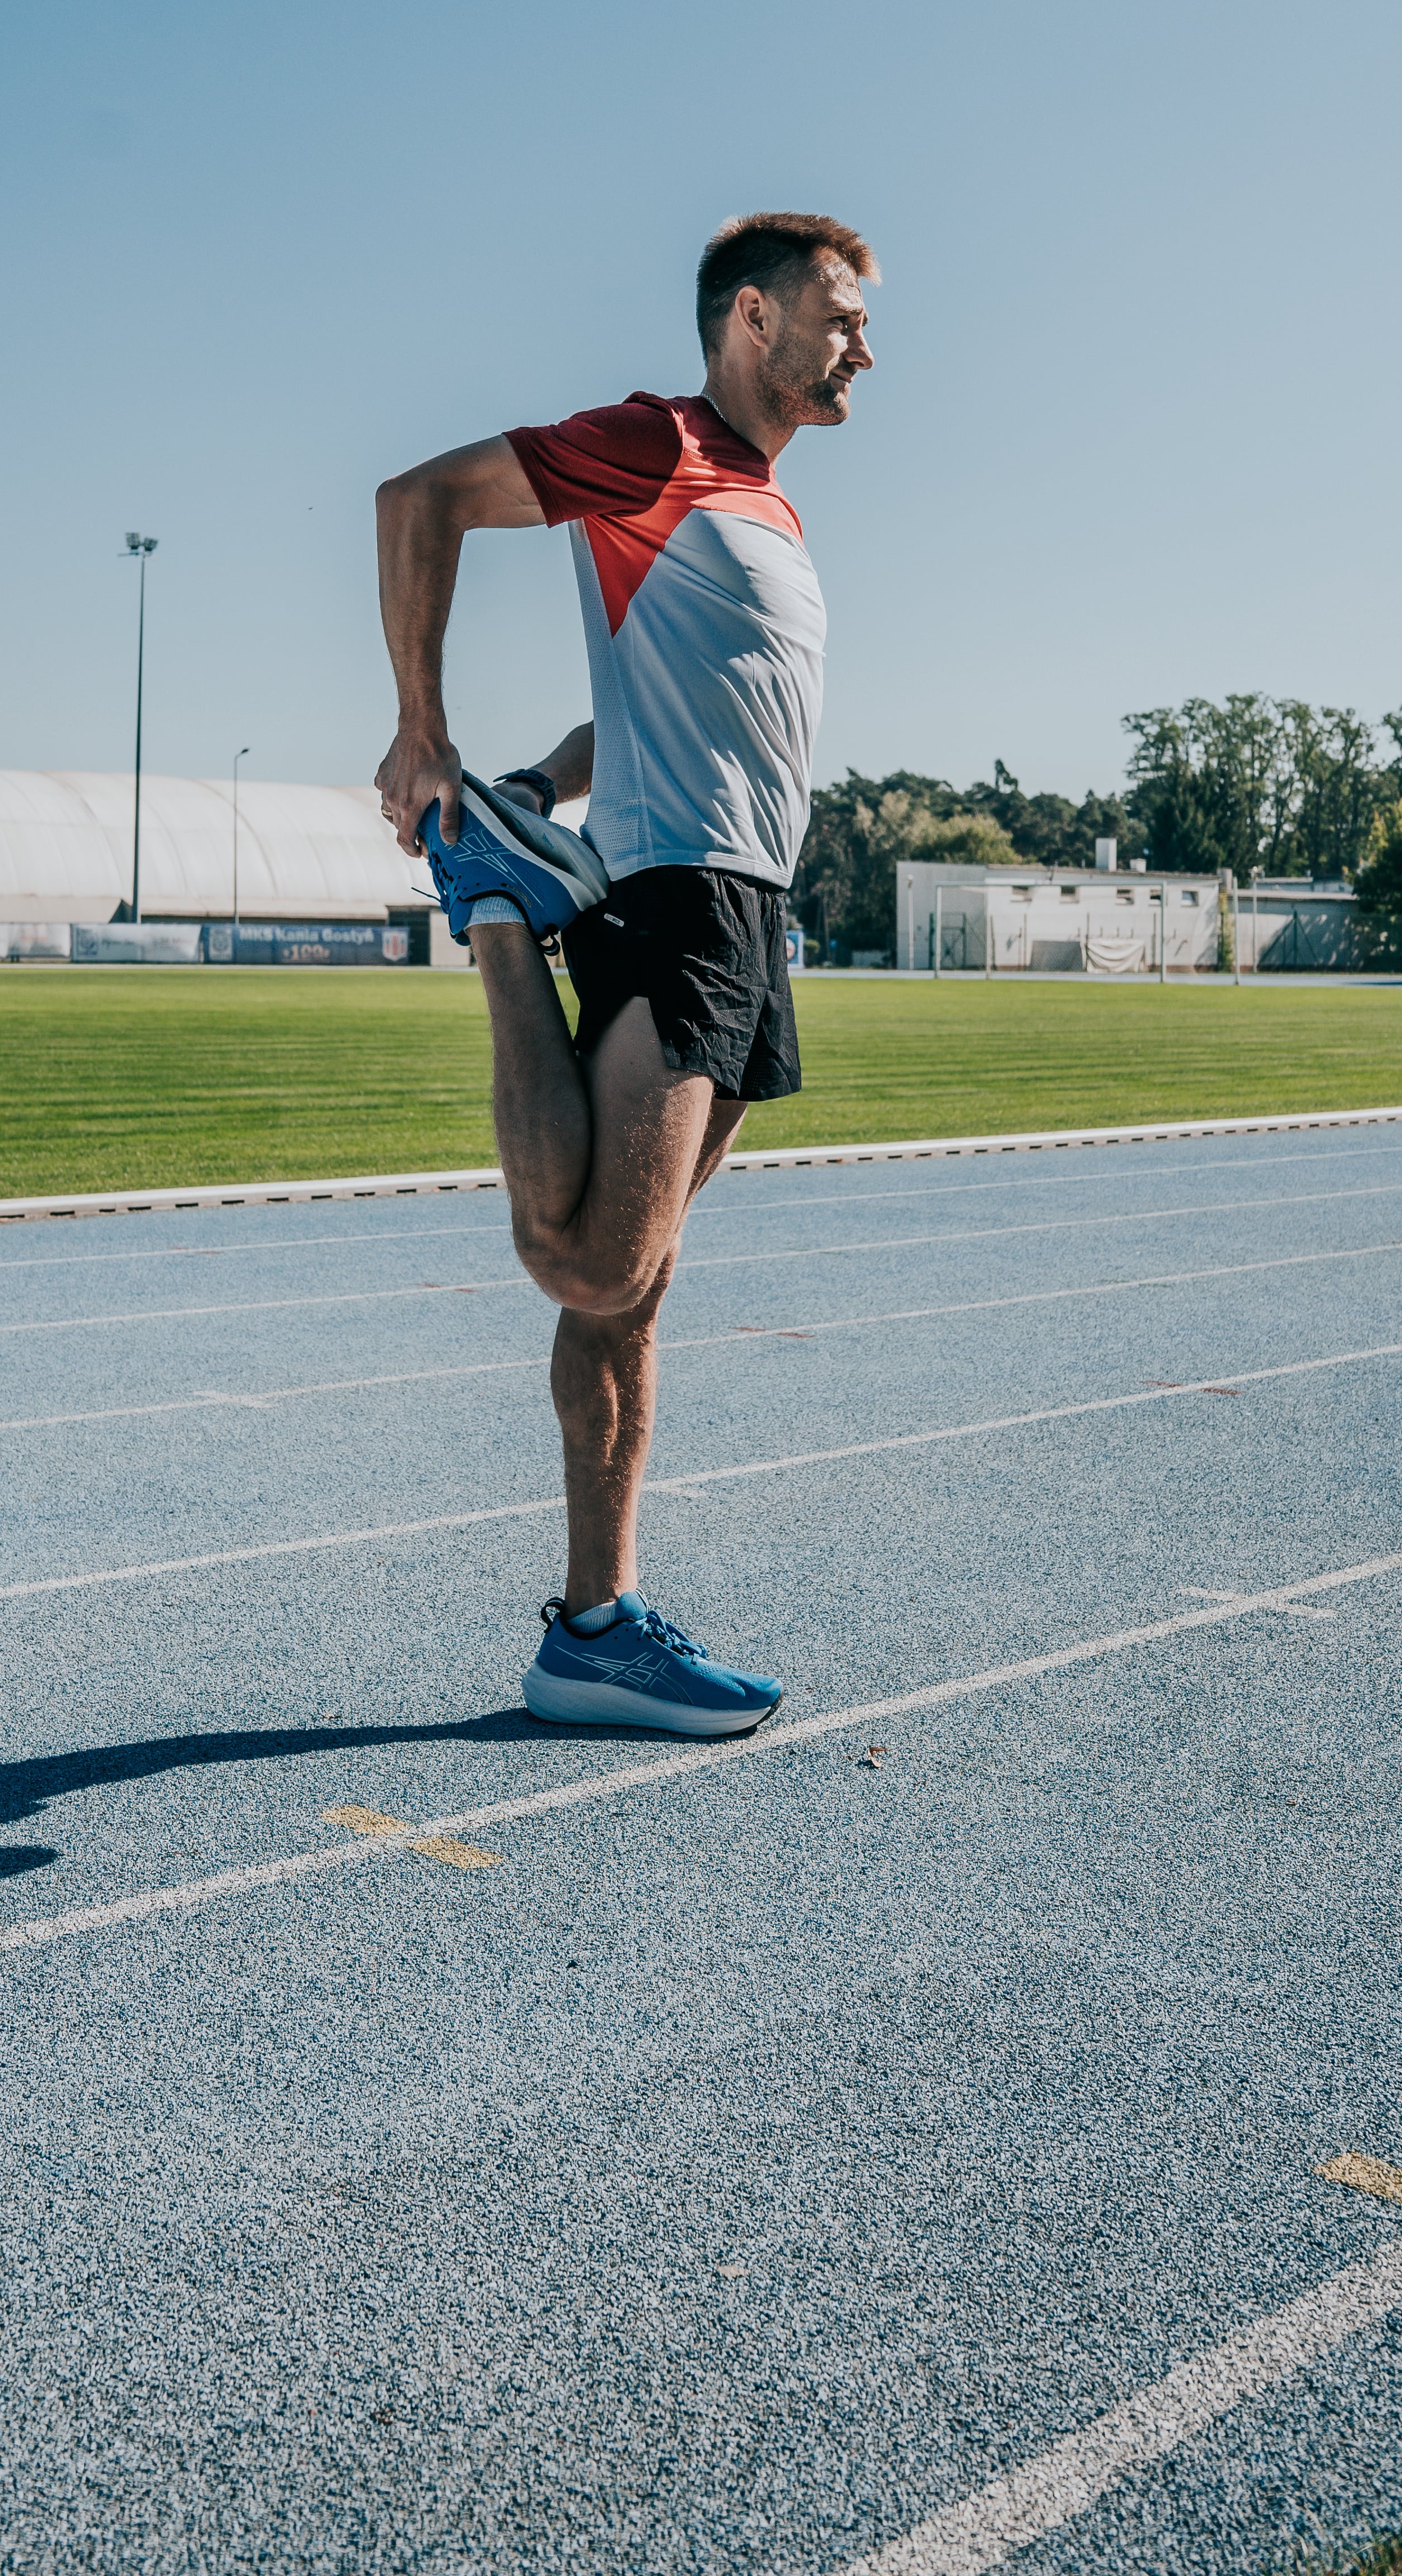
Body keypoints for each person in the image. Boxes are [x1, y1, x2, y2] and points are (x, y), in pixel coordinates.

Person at [373, 212, 877, 1736]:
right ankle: (495, 907)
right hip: (677, 895)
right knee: (591, 1266)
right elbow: (420, 498)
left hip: (750, 910)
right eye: (841, 316)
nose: (863, 346)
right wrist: (425, 736)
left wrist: (547, 772)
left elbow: (666, 706)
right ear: (753, 321)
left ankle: (595, 1631)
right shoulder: (661, 445)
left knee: (632, 1290)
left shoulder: (768, 510)